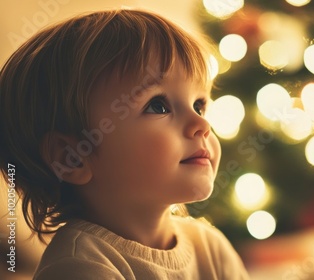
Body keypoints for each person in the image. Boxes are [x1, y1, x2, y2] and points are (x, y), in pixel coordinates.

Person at [0, 9, 249, 279]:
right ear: (73, 157)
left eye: (199, 106)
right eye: (158, 105)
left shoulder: (210, 247)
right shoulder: (79, 268)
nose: (202, 125)